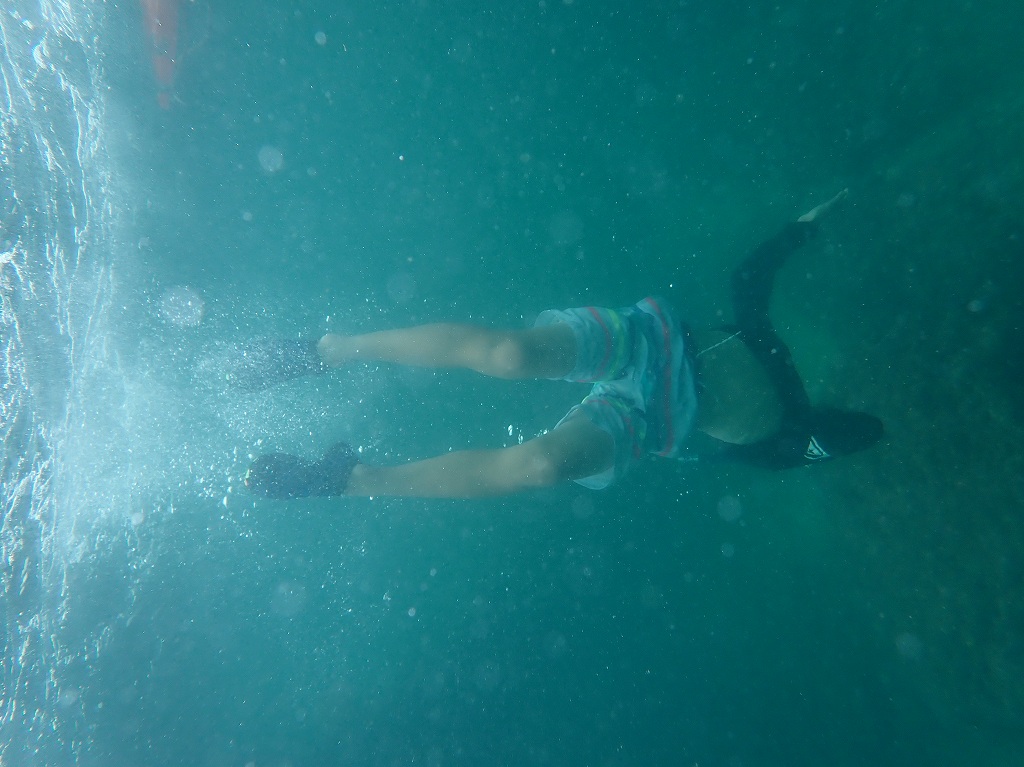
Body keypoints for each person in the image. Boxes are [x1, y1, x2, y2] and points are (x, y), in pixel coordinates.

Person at [238, 190, 882, 500]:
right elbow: (753, 275)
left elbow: (865, 431)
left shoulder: (791, 443)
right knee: (512, 354)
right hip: (647, 342)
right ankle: (325, 351)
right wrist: (808, 225)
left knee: (542, 466)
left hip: (648, 421)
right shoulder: (765, 355)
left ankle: (347, 480)